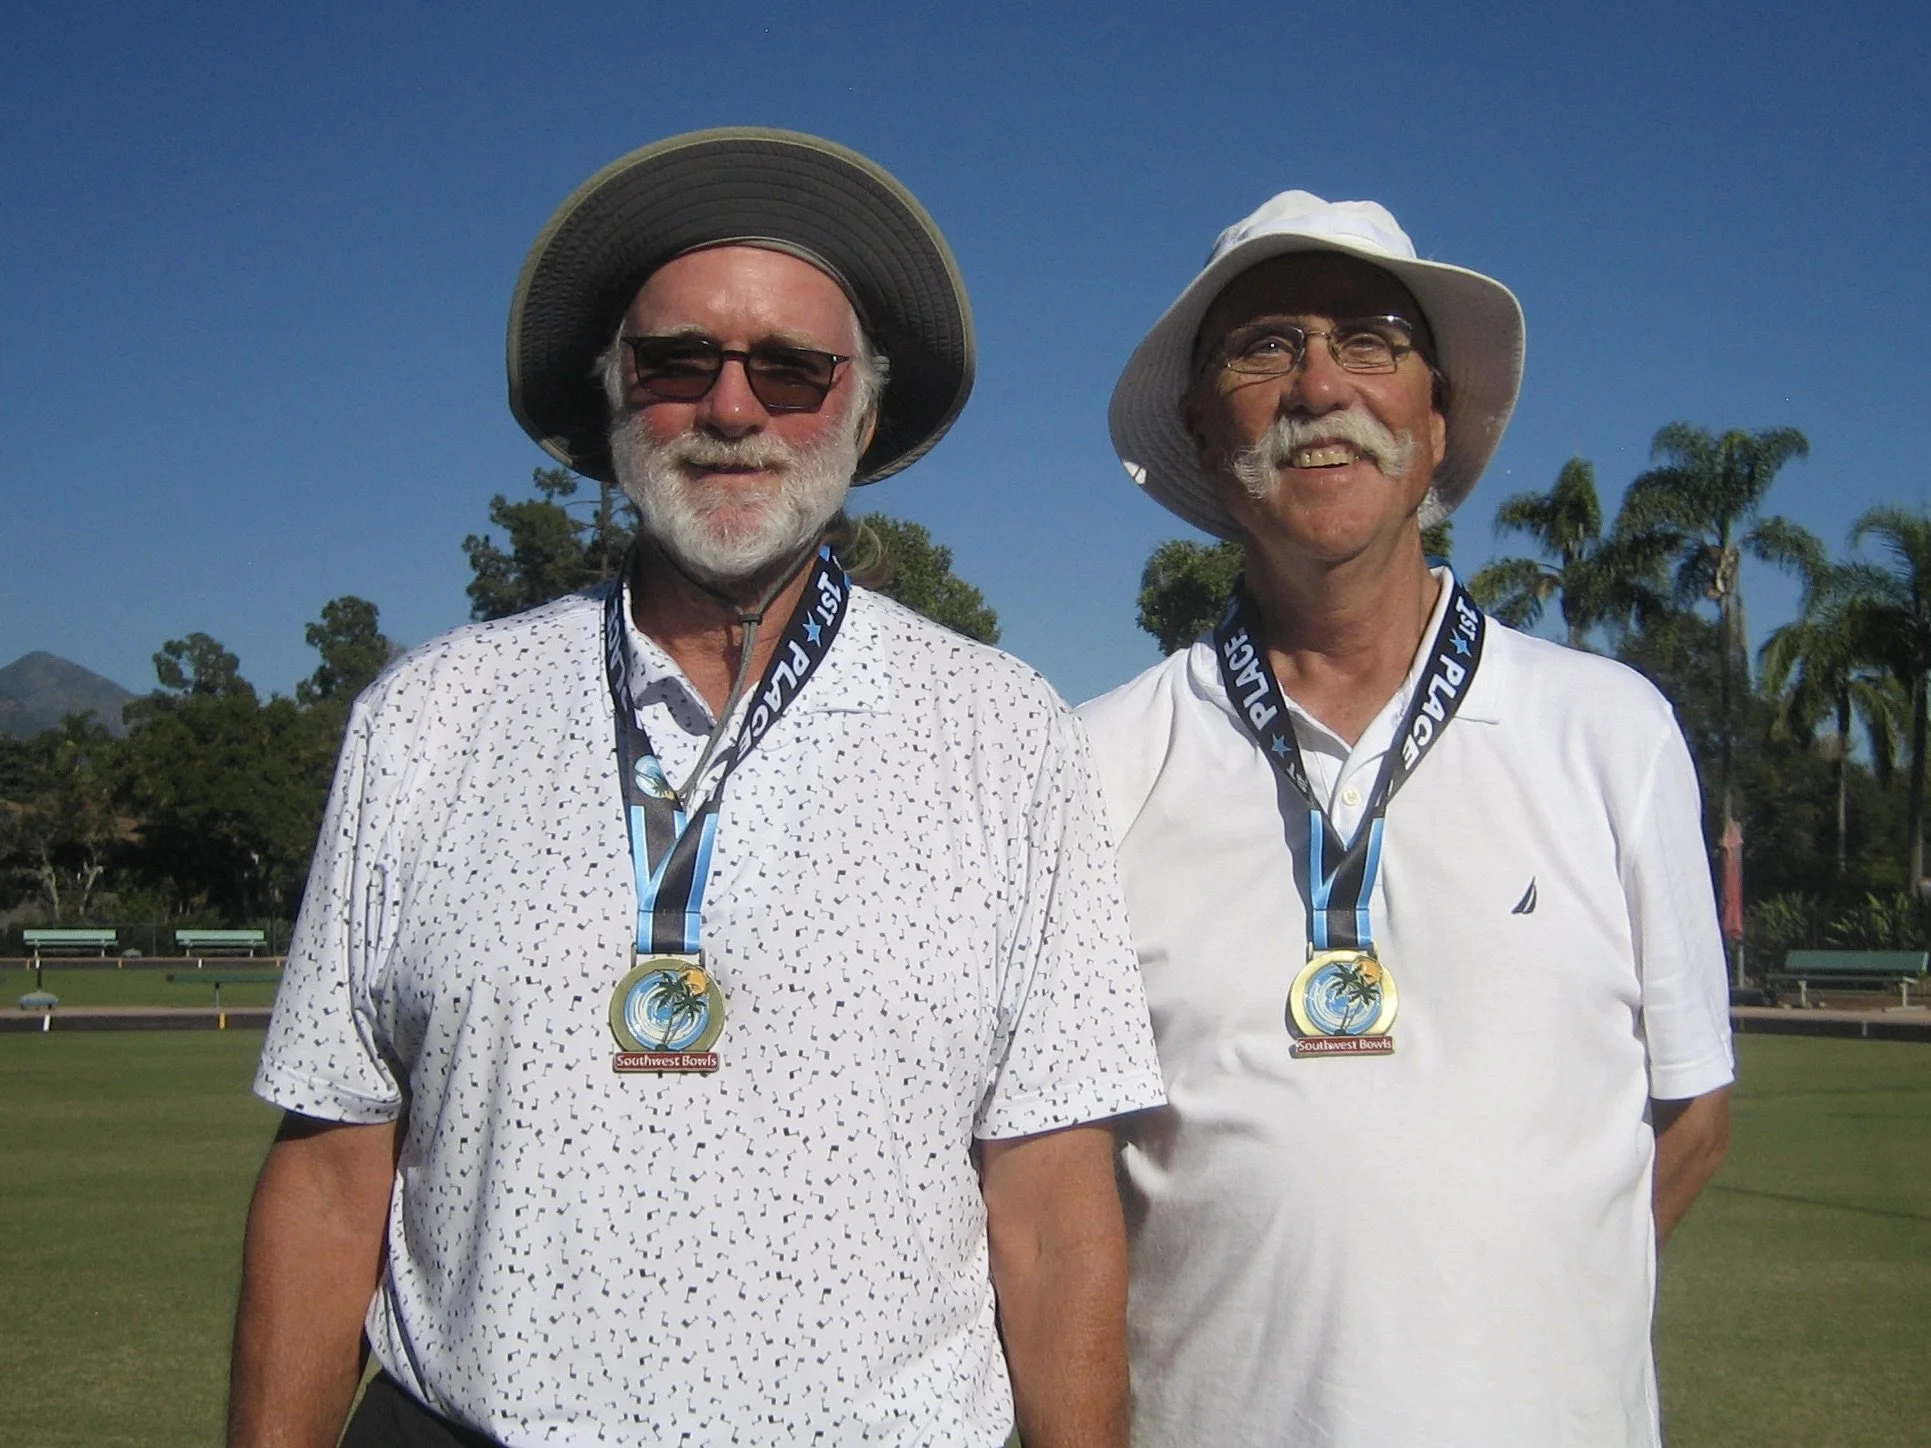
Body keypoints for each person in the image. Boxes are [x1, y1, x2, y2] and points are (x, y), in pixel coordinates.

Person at [229, 127, 1165, 1448]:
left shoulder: (1003, 733)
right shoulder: (428, 718)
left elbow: (1053, 1200)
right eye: (678, 364)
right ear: (614, 395)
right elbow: (330, 1173)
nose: (732, 410)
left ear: (863, 407)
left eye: (791, 369)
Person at [1081, 191, 1733, 1445]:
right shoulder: (1097, 758)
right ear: (1200, 429)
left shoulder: (1609, 727)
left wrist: (1516, 1325)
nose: (1318, 381)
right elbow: (1055, 1172)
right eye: (1262, 346)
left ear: (1436, 423)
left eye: (1371, 340)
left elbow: (1690, 1113)